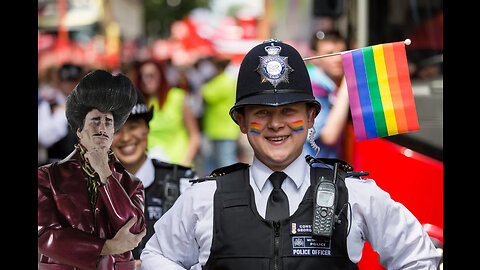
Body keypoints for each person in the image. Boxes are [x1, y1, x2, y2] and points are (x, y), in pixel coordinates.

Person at [140, 40, 441, 269]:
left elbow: (419, 258)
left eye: (289, 111)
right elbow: (156, 255)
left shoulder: (355, 194)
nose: (275, 124)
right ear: (241, 121)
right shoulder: (203, 199)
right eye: (261, 112)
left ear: (311, 117)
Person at [38, 70, 147, 270]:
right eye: (95, 120)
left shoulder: (132, 183)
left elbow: (135, 230)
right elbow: (46, 237)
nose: (102, 128)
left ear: (114, 132)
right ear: (79, 130)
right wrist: (107, 247)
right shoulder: (47, 177)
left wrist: (106, 173)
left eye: (109, 122)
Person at [111, 88, 195, 267]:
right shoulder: (89, 188)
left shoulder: (183, 184)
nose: (126, 137)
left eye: (134, 126)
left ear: (147, 129)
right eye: (117, 129)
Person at [136, 59, 201, 166]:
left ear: (160, 76)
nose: (146, 80)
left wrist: (185, 162)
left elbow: (194, 135)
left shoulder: (178, 97)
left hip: (178, 165)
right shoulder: (138, 104)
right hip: (150, 166)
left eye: (151, 75)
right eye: (142, 76)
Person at [304, 31, 351, 158]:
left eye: (341, 52)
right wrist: (347, 85)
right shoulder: (310, 87)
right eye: (329, 54)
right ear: (313, 57)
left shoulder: (329, 84)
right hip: (315, 172)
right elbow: (329, 136)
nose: (338, 58)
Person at [200, 57, 240, 173]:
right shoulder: (229, 81)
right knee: (220, 162)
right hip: (225, 129)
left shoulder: (221, 82)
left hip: (221, 130)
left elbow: (205, 94)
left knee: (224, 163)